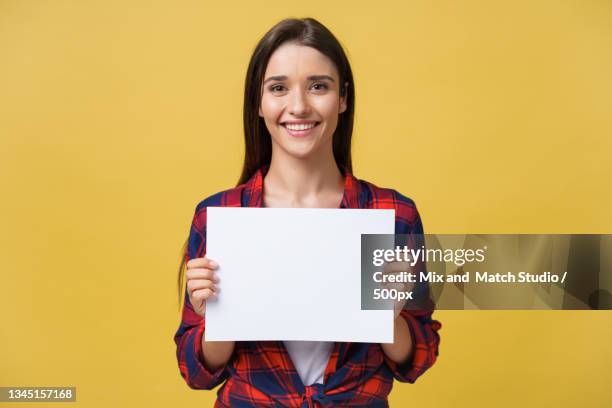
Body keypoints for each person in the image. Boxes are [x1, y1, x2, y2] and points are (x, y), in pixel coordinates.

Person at [174, 17, 441, 407]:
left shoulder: (394, 213)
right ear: (259, 104)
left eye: (318, 86)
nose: (298, 106)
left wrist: (388, 314)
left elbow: (418, 359)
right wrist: (217, 318)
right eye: (278, 88)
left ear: (343, 98)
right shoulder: (218, 214)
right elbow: (195, 373)